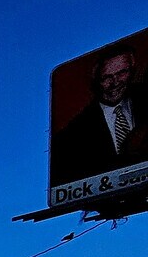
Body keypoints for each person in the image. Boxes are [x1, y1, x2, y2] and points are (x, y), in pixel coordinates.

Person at [55, 45, 147, 185]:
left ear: (132, 70)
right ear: (95, 80)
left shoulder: (145, 98)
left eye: (122, 72)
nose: (115, 82)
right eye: (107, 77)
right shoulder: (73, 133)